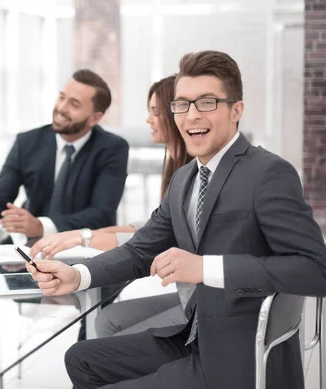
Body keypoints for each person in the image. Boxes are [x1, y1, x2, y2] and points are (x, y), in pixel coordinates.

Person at [27, 50, 326, 389]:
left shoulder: (267, 173)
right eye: (182, 104)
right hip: (191, 337)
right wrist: (77, 276)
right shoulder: (185, 178)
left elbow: (316, 271)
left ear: (236, 110)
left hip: (238, 356)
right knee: (80, 358)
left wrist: (205, 268)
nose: (191, 115)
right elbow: (140, 250)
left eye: (207, 102)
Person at [31, 75, 192, 338]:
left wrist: (83, 237)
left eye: (155, 112)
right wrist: (79, 236)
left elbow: (153, 239)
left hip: (199, 302)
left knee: (106, 343)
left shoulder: (188, 173)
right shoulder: (178, 170)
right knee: (106, 321)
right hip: (186, 294)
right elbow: (149, 227)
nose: (148, 121)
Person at [0, 69, 129, 240]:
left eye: (74, 104)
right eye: (61, 97)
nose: (61, 108)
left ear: (94, 118)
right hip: (31, 247)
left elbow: (101, 214)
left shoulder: (112, 148)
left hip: (86, 247)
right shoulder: (27, 142)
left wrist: (41, 226)